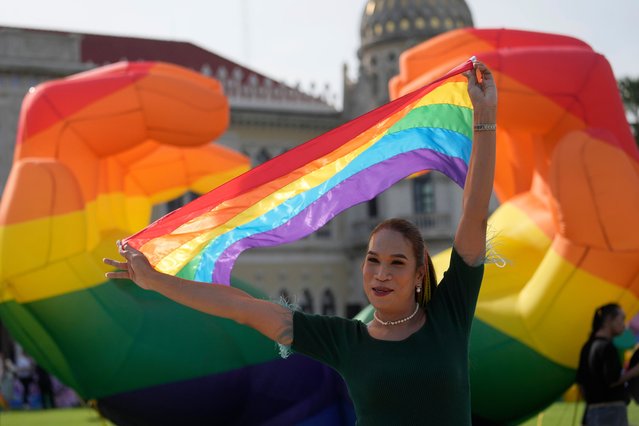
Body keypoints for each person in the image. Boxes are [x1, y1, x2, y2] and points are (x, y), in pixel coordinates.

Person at [104, 61, 497, 425]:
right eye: (373, 260)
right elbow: (244, 309)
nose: (380, 273)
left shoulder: (449, 317)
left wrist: (484, 120)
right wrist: (157, 281)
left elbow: (475, 213)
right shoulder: (345, 340)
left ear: (418, 274)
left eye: (396, 263)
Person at [577, 303, 633, 425]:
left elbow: (581, 383)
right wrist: (635, 371)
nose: (624, 324)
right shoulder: (607, 347)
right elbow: (612, 379)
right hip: (611, 412)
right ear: (608, 320)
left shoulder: (587, 347)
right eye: (621, 319)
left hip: (591, 411)